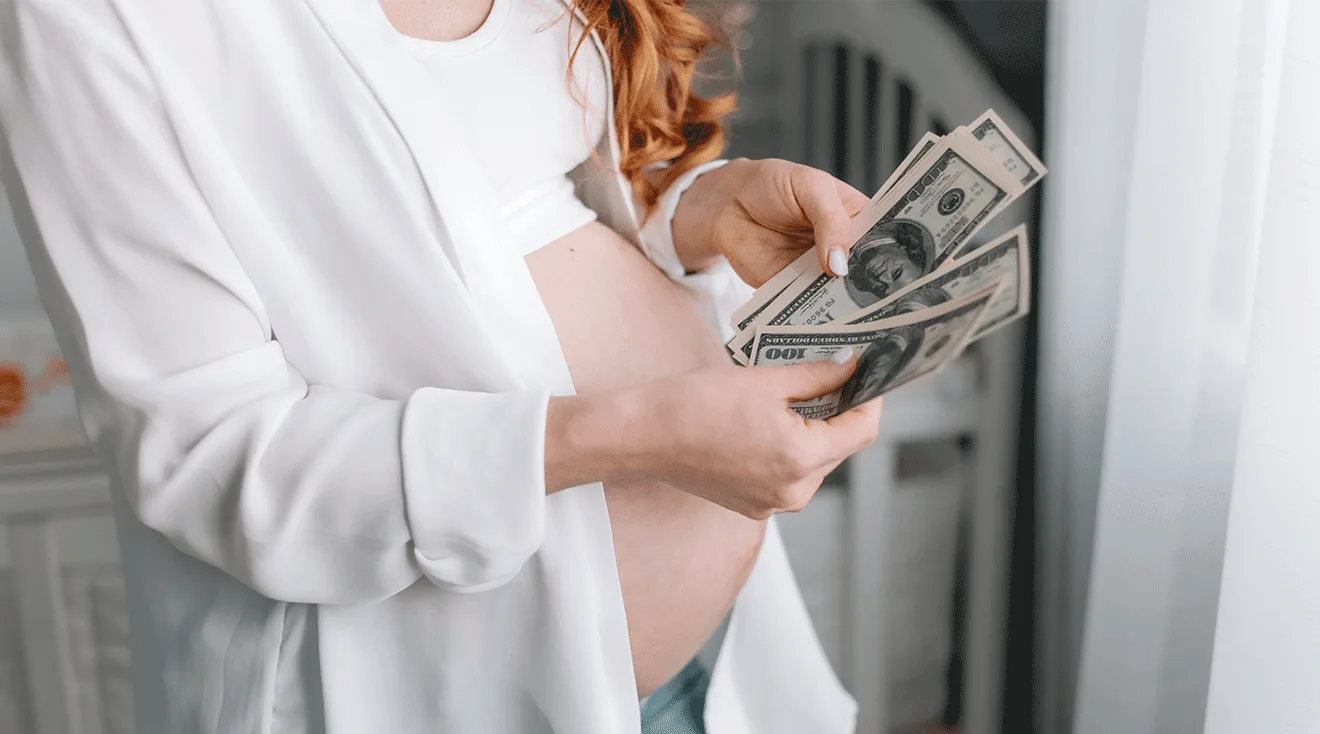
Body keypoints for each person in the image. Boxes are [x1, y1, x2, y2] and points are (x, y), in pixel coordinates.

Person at [0, 1, 882, 733]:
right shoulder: (90, 18)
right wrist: (644, 435)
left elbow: (529, 201)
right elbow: (208, 453)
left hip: (711, 670)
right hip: (436, 692)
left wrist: (702, 214)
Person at [844, 220, 936, 306]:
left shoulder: (843, 264)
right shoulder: (888, 222)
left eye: (881, 288)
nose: (882, 278)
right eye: (896, 273)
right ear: (905, 250)